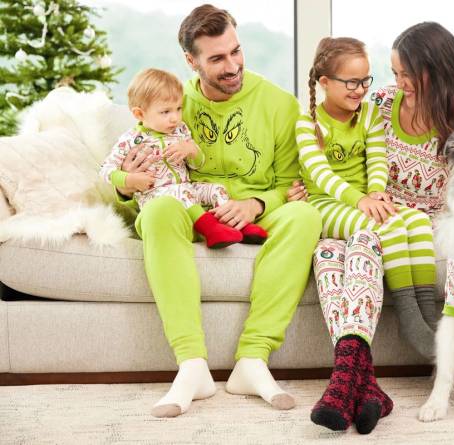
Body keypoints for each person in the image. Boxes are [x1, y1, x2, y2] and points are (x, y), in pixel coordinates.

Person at [115, 5, 322, 417]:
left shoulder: (279, 104)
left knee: (305, 217)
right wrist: (128, 183)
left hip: (255, 211)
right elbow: (122, 187)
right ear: (191, 62)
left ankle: (253, 360)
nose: (232, 66)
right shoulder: (171, 103)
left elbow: (290, 185)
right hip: (188, 205)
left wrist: (256, 203)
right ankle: (192, 365)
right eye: (216, 59)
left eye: (236, 51)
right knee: (157, 214)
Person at [287, 21, 454, 431]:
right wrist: (297, 187)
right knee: (331, 250)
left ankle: (350, 380)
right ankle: (360, 383)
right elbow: (330, 157)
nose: (397, 84)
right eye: (393, 73)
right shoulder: (375, 104)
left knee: (370, 237)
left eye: (407, 74)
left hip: (411, 221)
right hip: (365, 210)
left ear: (435, 70)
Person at [297, 36, 438, 433]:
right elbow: (321, 175)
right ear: (324, 82)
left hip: (362, 201)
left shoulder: (369, 115)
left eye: (365, 82)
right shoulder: (308, 122)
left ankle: (427, 312)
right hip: (327, 205)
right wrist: (361, 201)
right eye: (350, 83)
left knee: (415, 220)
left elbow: (377, 157)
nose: (360, 91)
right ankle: (411, 316)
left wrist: (376, 190)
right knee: (386, 224)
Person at [100, 68, 267, 249]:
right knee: (181, 193)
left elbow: (197, 164)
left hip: (187, 187)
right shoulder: (130, 140)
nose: (175, 118)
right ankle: (212, 230)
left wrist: (191, 150)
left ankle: (240, 226)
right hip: (157, 197)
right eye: (165, 112)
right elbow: (106, 170)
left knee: (216, 189)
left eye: (178, 109)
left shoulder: (181, 130)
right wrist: (130, 179)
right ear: (140, 114)